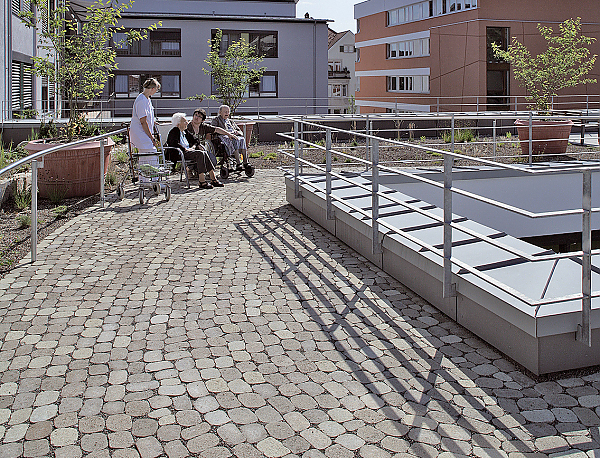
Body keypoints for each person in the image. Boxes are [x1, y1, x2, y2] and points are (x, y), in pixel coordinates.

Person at [165, 113, 224, 189]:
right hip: (180, 153)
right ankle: (202, 181)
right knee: (200, 154)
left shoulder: (185, 132)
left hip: (188, 152)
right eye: (185, 121)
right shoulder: (174, 132)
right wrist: (185, 149)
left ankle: (213, 179)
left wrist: (193, 147)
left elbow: (196, 140)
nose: (187, 123)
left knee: (204, 153)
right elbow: (174, 144)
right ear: (178, 124)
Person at [129, 78, 161, 182]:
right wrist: (151, 137)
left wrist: (153, 122)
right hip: (141, 133)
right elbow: (143, 121)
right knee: (152, 154)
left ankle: (145, 181)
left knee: (144, 157)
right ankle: (155, 181)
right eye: (156, 89)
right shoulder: (141, 100)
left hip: (144, 131)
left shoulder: (147, 99)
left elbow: (147, 117)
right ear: (152, 89)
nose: (156, 91)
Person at [211, 104, 248, 171]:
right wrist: (228, 133)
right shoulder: (216, 120)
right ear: (220, 112)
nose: (227, 113)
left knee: (242, 139)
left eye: (228, 112)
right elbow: (214, 130)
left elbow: (240, 131)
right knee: (234, 139)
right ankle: (238, 163)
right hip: (223, 137)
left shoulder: (230, 121)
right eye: (225, 112)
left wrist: (237, 132)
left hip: (233, 136)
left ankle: (245, 162)